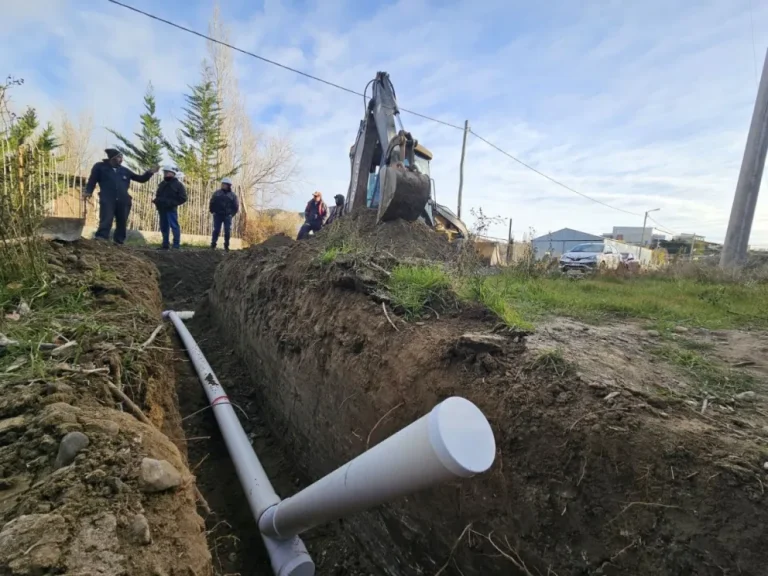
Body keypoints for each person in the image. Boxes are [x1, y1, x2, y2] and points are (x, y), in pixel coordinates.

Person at [84, 148, 158, 245]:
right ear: (113, 158)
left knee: (122, 221)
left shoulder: (124, 170)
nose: (121, 159)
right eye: (119, 157)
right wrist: (88, 191)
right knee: (106, 218)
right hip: (107, 198)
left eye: (122, 157)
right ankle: (101, 238)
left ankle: (119, 241)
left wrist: (149, 172)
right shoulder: (100, 167)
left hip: (123, 200)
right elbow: (92, 180)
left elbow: (140, 179)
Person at [153, 166, 188, 250]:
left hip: (171, 209)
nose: (166, 174)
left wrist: (172, 203)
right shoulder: (162, 184)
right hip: (162, 209)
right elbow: (158, 195)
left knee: (174, 226)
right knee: (164, 227)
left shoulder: (178, 185)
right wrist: (157, 200)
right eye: (165, 172)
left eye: (167, 172)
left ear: (173, 173)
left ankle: (176, 245)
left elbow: (183, 198)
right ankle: (165, 244)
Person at [209, 177, 239, 251]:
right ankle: (213, 244)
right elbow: (212, 202)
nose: (223, 185)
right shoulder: (217, 193)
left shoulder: (233, 196)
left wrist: (231, 214)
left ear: (229, 185)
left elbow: (236, 206)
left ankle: (226, 245)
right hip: (218, 215)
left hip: (227, 216)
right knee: (216, 230)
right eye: (222, 184)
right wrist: (212, 211)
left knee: (227, 230)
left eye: (224, 184)